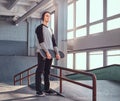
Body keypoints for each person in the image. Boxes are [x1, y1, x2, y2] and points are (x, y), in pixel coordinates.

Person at [35, 11, 60, 96]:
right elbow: (41, 42)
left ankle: (46, 89)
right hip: (42, 52)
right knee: (40, 71)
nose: (48, 17)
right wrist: (46, 52)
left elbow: (54, 42)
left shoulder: (50, 29)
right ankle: (38, 90)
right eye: (46, 16)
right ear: (43, 17)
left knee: (47, 71)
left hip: (51, 53)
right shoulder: (39, 28)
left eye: (49, 16)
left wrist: (56, 53)